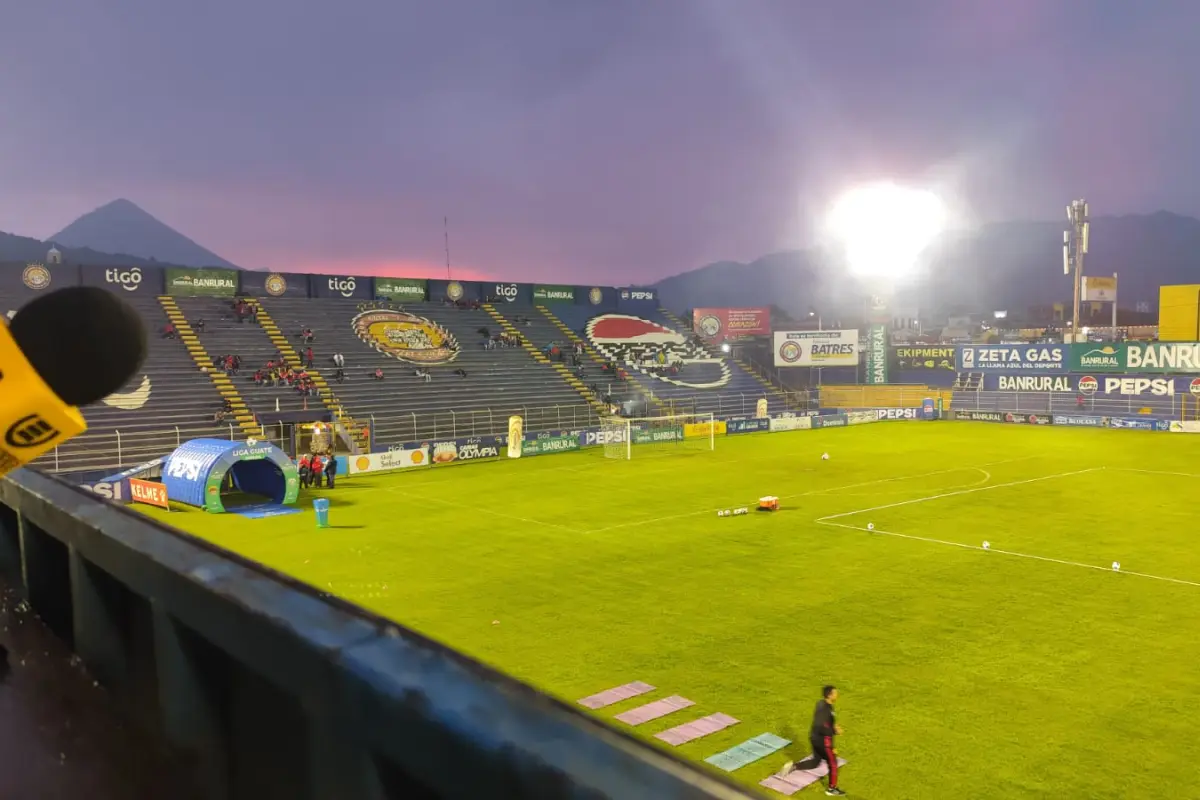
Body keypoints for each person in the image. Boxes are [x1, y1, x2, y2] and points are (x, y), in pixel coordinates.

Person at [775, 685, 845, 796]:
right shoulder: (826, 710)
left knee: (816, 761)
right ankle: (831, 789)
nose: (837, 695)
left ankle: (794, 767)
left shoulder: (822, 704)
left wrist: (834, 726)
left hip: (814, 738)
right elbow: (823, 727)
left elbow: (824, 722)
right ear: (830, 695)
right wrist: (832, 745)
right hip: (823, 741)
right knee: (833, 763)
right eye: (835, 693)